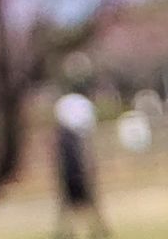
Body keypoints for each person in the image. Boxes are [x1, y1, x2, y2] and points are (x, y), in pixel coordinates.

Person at [53, 88, 109, 238]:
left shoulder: (74, 138)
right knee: (70, 203)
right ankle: (68, 231)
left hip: (77, 173)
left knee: (89, 201)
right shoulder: (67, 139)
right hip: (71, 173)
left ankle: (97, 230)